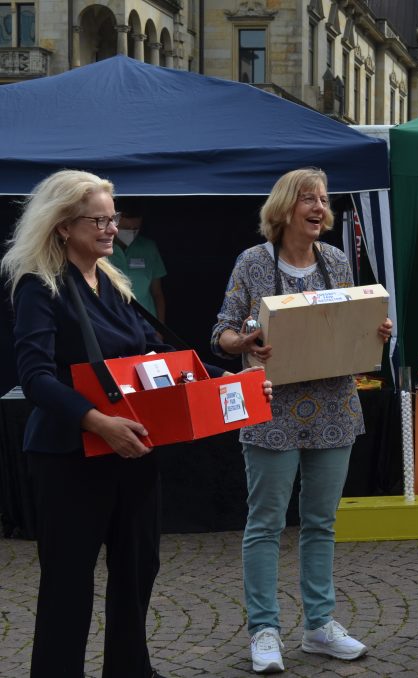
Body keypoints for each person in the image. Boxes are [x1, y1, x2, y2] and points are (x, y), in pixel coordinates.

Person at [1, 169, 271, 678]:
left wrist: (232, 380)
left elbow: (163, 357)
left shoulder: (112, 281)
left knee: (137, 568)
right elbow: (34, 377)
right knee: (68, 579)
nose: (112, 228)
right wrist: (98, 422)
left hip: (135, 449)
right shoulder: (41, 286)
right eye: (99, 219)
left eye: (113, 217)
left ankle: (130, 668)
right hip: (71, 454)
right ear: (62, 226)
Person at [211, 168, 392, 674]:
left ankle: (318, 626)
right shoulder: (252, 262)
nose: (318, 208)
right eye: (308, 199)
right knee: (265, 523)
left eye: (323, 199)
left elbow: (349, 328)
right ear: (285, 208)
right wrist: (243, 343)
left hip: (334, 406)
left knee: (321, 522)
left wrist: (374, 329)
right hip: (271, 409)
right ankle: (265, 630)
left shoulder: (335, 260)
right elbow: (222, 333)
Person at [108, 201, 167, 323]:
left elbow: (157, 293)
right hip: (113, 324)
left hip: (147, 325)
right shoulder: (101, 249)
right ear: (114, 224)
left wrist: (160, 329)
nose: (131, 232)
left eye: (135, 229)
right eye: (126, 228)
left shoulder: (148, 248)